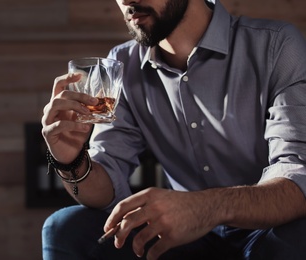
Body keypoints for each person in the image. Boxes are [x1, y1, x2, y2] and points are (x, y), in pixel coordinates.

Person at [41, 0, 306, 259]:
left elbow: (298, 179)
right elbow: (105, 187)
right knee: (65, 227)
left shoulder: (276, 45)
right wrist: (71, 159)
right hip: (182, 237)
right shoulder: (123, 63)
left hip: (270, 230)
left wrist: (206, 208)